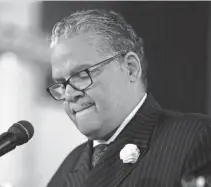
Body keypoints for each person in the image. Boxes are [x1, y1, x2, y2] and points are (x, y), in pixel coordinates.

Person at [46, 9, 211, 187]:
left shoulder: (196, 138)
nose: (70, 94)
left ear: (130, 68)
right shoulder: (68, 167)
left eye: (82, 74)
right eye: (61, 83)